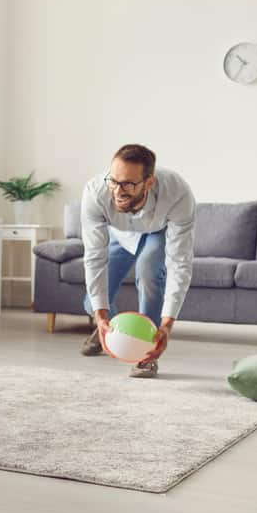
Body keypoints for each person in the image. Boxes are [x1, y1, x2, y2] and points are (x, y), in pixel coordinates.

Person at [80, 144, 196, 378]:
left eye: (129, 184)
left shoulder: (178, 193)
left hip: (157, 232)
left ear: (149, 182)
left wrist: (166, 325)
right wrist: (100, 317)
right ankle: (111, 330)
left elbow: (179, 262)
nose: (118, 191)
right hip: (120, 235)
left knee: (148, 269)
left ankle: (147, 353)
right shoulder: (95, 192)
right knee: (90, 303)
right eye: (113, 181)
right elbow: (94, 257)